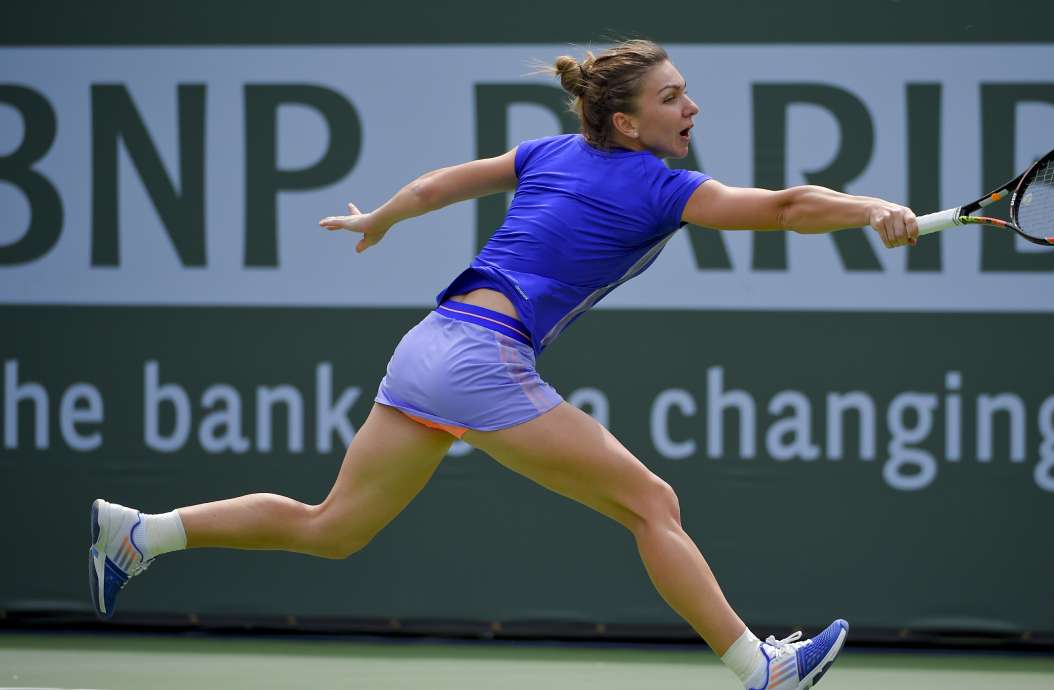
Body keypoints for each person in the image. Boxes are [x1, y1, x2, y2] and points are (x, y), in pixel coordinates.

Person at [88, 39, 918, 690]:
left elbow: (444, 183)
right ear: (628, 123)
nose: (690, 105)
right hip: (483, 359)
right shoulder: (662, 188)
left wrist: (381, 217)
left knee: (332, 528)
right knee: (651, 504)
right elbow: (783, 207)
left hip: (429, 343)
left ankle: (142, 535)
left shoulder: (547, 153)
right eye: (672, 97)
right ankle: (756, 668)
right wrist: (873, 208)